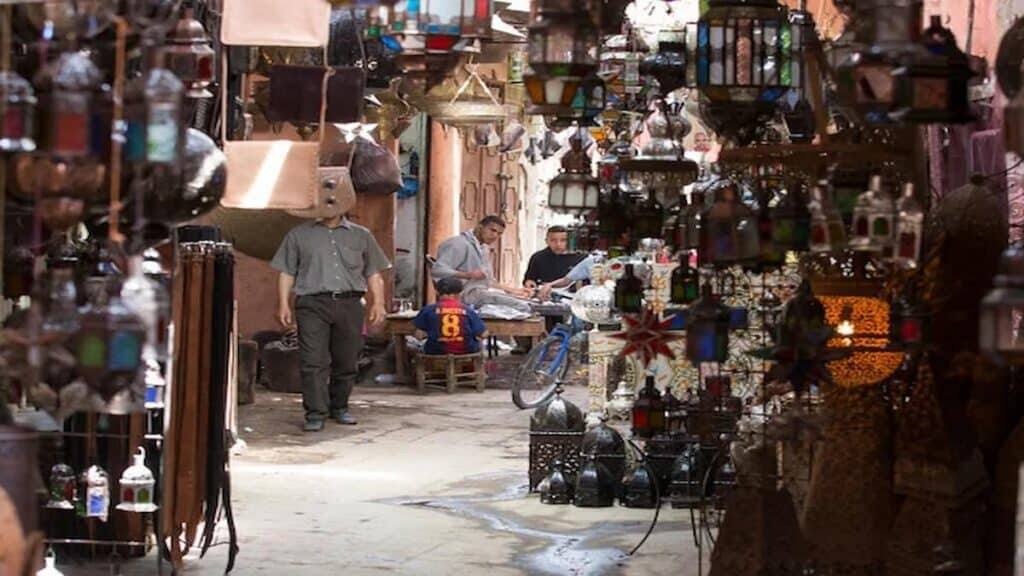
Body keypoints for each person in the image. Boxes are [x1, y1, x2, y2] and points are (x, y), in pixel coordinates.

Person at [272, 214, 391, 433]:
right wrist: (283, 304)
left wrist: (379, 303)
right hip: (312, 304)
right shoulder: (298, 235)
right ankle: (315, 413)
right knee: (312, 361)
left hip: (350, 304)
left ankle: (340, 407)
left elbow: (374, 273)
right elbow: (286, 272)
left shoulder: (361, 235)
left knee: (347, 359)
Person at [431, 215, 532, 312]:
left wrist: (512, 290)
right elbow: (437, 270)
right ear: (480, 227)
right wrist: (467, 275)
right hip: (463, 295)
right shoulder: (458, 244)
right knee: (521, 306)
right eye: (492, 230)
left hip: (481, 292)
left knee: (526, 302)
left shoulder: (483, 248)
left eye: (499, 233)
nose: (495, 236)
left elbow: (487, 281)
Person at [414, 278, 488, 355]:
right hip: (466, 352)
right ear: (460, 293)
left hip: (436, 352)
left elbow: (418, 335)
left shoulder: (428, 310)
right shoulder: (468, 310)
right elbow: (483, 334)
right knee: (479, 345)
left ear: (437, 292)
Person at [523, 225, 586, 290]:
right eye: (553, 240)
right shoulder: (538, 257)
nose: (558, 244)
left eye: (563, 240)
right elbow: (529, 279)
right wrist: (530, 283)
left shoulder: (580, 258)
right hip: (543, 295)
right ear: (547, 241)